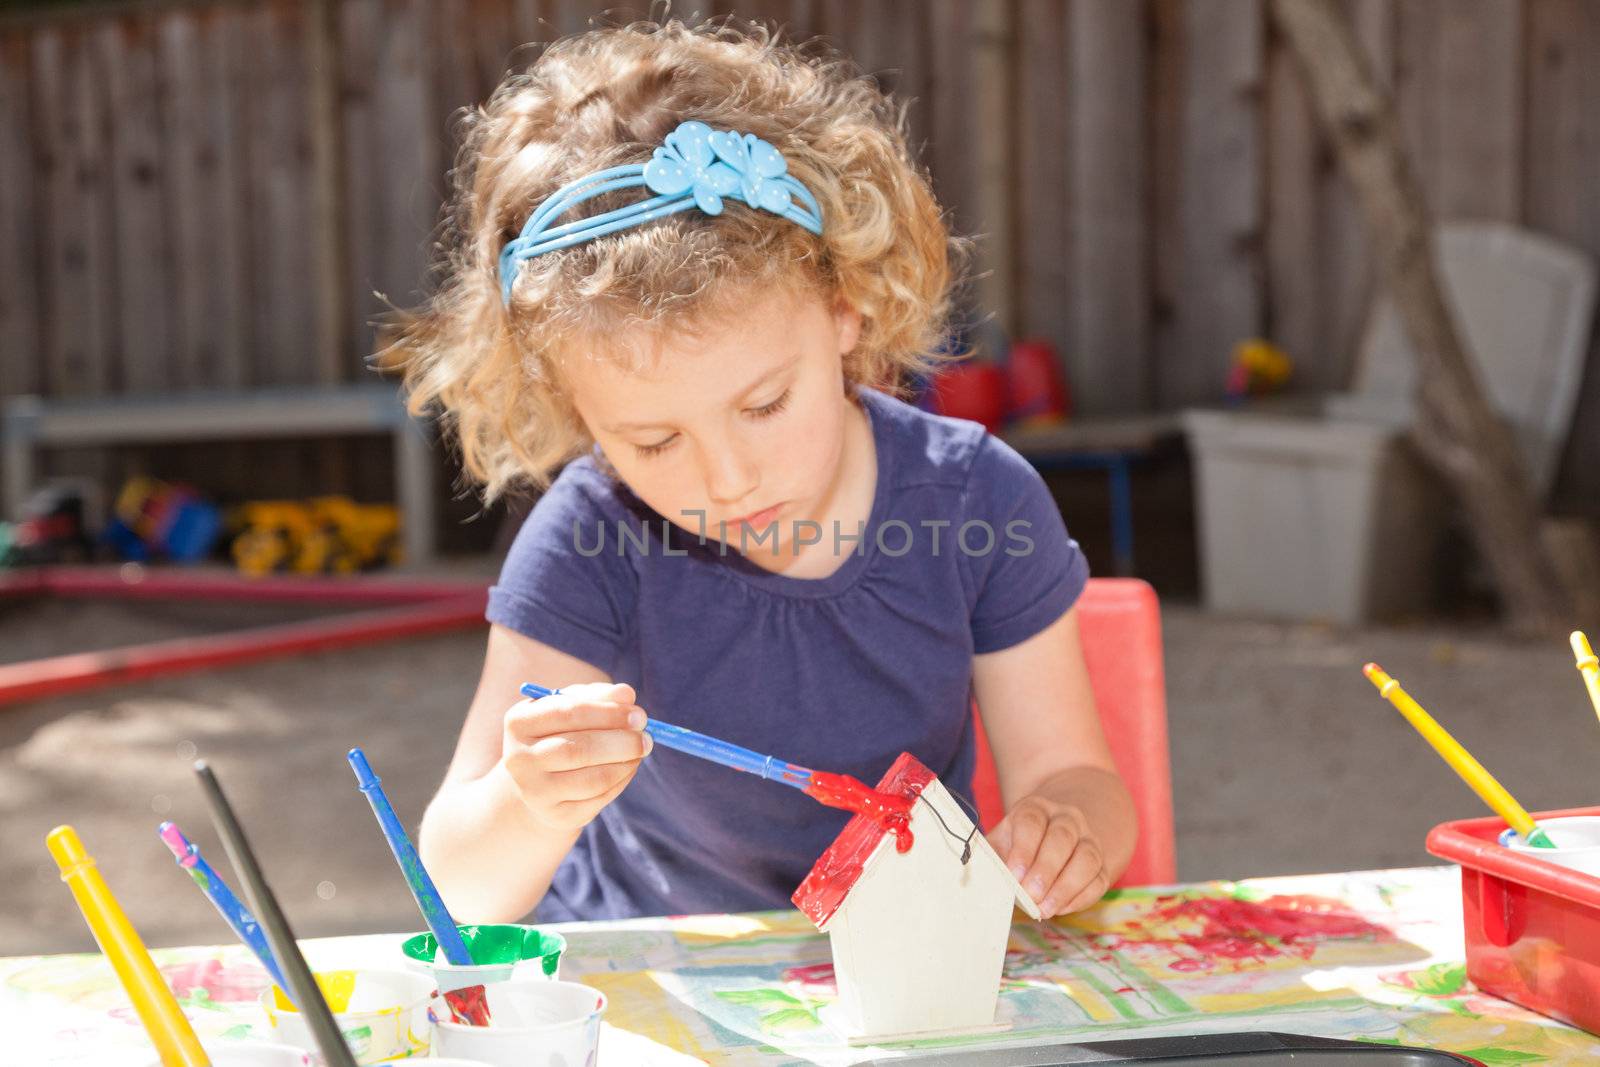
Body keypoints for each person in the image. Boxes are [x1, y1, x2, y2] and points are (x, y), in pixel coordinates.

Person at [392, 18, 1136, 924]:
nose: (731, 478)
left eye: (765, 405)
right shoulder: (592, 539)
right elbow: (460, 886)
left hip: (908, 962)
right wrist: (528, 800)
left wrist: (1067, 828)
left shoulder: (979, 501)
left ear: (843, 309)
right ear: (577, 413)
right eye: (654, 442)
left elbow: (1077, 777)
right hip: (657, 979)